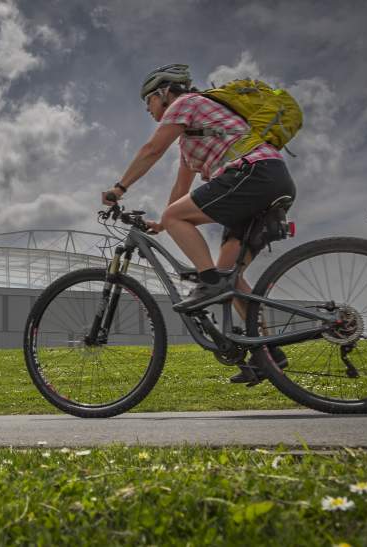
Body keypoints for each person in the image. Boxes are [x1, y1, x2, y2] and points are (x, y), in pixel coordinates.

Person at [100, 63, 296, 383]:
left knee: (215, 279)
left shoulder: (186, 104)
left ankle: (208, 282)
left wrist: (120, 188)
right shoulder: (191, 139)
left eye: (147, 100)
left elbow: (152, 149)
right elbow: (180, 193)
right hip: (270, 178)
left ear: (164, 94)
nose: (147, 109)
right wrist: (163, 224)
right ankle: (269, 353)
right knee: (230, 277)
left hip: (254, 173)